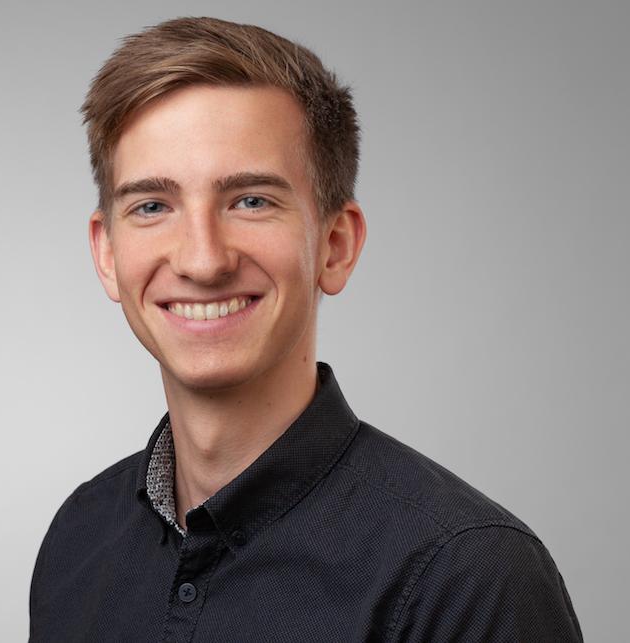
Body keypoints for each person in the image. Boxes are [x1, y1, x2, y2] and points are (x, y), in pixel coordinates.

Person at [28, 16, 583, 642]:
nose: (202, 260)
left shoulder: (469, 577)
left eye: (251, 201)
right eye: (152, 206)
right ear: (107, 254)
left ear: (335, 246)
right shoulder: (79, 537)